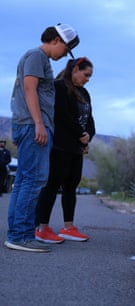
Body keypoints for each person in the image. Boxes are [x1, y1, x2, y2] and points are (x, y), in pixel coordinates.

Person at [5, 24, 79, 253]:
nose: (64, 55)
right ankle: (21, 236)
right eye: (65, 49)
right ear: (56, 40)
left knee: (25, 181)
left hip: (29, 124)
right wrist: (39, 123)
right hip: (33, 125)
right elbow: (30, 89)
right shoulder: (36, 56)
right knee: (34, 180)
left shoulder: (39, 59)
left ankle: (17, 232)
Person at [36, 57, 95, 244]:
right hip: (60, 146)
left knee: (71, 187)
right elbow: (62, 115)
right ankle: (41, 228)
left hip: (77, 148)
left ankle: (68, 227)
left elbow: (90, 120)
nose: (87, 79)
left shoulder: (84, 93)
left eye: (90, 76)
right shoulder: (59, 87)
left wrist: (88, 137)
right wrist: (80, 134)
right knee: (52, 186)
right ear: (76, 69)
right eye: (86, 74)